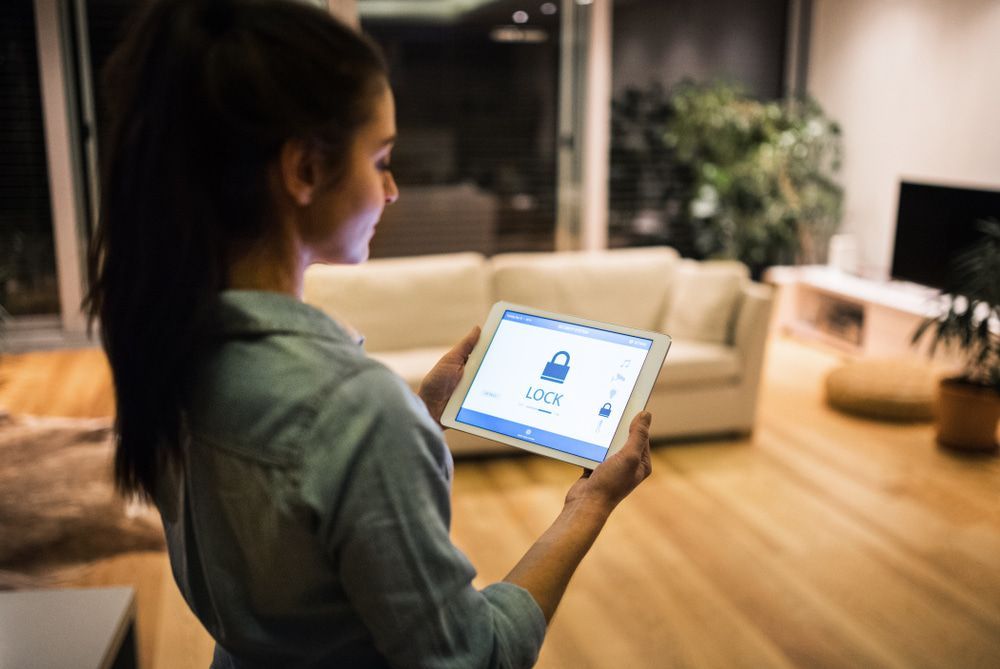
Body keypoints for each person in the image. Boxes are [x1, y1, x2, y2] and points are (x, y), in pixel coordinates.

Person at [85, 0, 653, 667]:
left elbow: (292, 549)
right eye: (381, 158)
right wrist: (588, 505)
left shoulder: (170, 345)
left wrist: (414, 414)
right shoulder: (353, 412)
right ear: (304, 170)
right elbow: (474, 656)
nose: (393, 189)